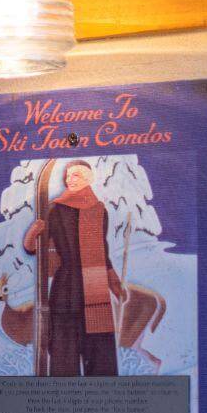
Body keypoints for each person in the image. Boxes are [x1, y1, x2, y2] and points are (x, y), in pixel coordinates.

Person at [23, 161, 126, 376]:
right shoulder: (55, 209)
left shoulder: (100, 210)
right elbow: (35, 248)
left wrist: (114, 282)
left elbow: (103, 250)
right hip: (66, 290)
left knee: (100, 355)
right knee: (64, 354)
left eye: (76, 175)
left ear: (89, 179)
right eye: (68, 176)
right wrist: (32, 235)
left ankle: (104, 394)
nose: (69, 179)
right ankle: (65, 394)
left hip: (96, 288)